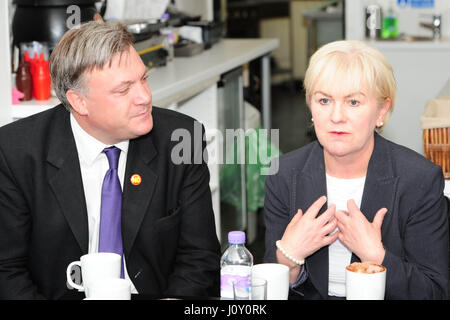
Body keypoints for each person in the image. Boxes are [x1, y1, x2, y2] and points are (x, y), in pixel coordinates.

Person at [0, 21, 221, 299]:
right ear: (79, 102)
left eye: (144, 79)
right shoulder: (14, 152)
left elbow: (200, 256)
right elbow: (7, 270)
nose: (144, 97)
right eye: (123, 90)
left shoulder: (181, 139)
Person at [264, 40, 449, 300]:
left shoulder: (418, 180)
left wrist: (377, 257)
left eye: (353, 102)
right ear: (310, 107)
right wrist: (288, 257)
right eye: (324, 100)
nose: (336, 116)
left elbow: (435, 292)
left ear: (382, 110)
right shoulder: (283, 175)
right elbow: (266, 292)